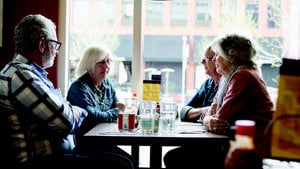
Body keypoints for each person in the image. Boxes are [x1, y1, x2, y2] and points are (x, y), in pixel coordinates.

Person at [0, 14, 135, 169]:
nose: (56, 51)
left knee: (126, 161)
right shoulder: (22, 75)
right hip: (43, 161)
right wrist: (75, 110)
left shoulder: (28, 73)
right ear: (42, 44)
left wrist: (70, 109)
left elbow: (65, 111)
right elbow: (66, 121)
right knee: (122, 165)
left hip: (60, 153)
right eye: (55, 44)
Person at [163, 33, 274, 169]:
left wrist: (207, 119)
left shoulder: (243, 76)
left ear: (231, 58)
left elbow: (220, 118)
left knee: (175, 158)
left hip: (250, 149)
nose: (215, 59)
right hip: (234, 142)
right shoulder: (228, 76)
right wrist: (208, 119)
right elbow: (213, 110)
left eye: (218, 55)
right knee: (176, 156)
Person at [67, 45, 125, 134]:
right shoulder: (78, 88)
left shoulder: (107, 83)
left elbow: (117, 106)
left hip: (106, 136)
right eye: (101, 62)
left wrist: (115, 110)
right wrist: (116, 112)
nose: (106, 66)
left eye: (108, 61)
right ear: (89, 64)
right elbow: (91, 117)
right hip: (86, 141)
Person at [180, 44, 222, 122]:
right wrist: (207, 110)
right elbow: (183, 111)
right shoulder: (208, 83)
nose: (202, 62)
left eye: (206, 58)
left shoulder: (228, 85)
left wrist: (197, 113)